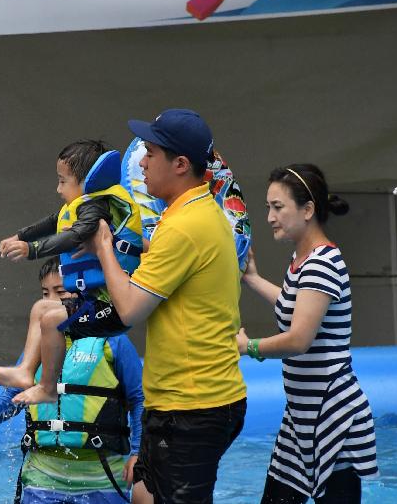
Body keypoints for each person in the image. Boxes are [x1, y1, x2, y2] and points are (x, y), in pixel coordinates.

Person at [79, 109, 247, 503]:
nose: (140, 162)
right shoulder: (200, 212)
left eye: (151, 153)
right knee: (142, 495)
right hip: (190, 401)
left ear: (181, 164)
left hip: (194, 406)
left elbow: (130, 309)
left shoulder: (185, 227)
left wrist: (104, 247)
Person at [237, 164, 378, 503]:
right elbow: (292, 305)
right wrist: (253, 278)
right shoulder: (303, 259)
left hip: (332, 416)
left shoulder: (321, 264)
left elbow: (299, 340)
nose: (270, 216)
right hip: (303, 414)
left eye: (278, 207)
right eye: (269, 206)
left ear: (308, 209)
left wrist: (248, 346)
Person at [0, 258, 144, 504]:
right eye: (44, 293)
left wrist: (138, 453)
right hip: (42, 478)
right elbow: (13, 396)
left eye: (60, 292)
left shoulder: (113, 342)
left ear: (83, 290)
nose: (50, 301)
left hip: (102, 477)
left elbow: (139, 401)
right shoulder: (37, 348)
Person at [0, 140, 144, 407]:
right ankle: (26, 370)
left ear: (87, 181)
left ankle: (47, 387)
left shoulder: (96, 208)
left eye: (63, 181)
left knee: (50, 321)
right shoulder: (85, 204)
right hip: (94, 301)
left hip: (113, 306)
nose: (58, 189)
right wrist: (20, 235)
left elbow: (77, 235)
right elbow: (53, 221)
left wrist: (31, 249)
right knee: (41, 309)